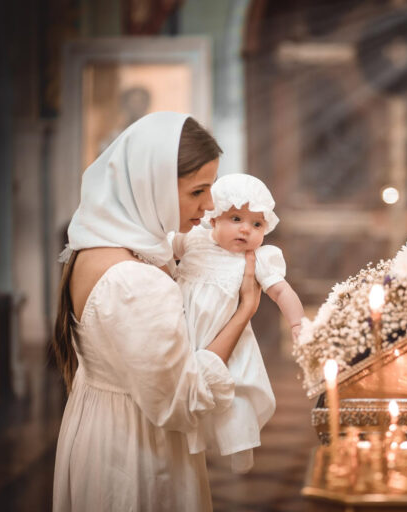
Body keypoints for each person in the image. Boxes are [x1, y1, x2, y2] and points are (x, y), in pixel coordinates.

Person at [51, 111, 262, 511]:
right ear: (153, 186)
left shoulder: (98, 243)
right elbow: (182, 401)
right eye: (197, 191)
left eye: (211, 188)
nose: (209, 204)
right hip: (135, 455)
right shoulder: (135, 282)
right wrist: (244, 309)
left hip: (102, 430)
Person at [171, 174, 304, 473]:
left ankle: (237, 443)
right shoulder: (193, 241)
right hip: (183, 330)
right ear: (214, 218)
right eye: (235, 218)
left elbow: (282, 291)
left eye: (257, 224)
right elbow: (160, 247)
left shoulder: (257, 258)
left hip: (226, 337)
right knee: (185, 388)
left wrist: (297, 324)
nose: (246, 229)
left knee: (234, 388)